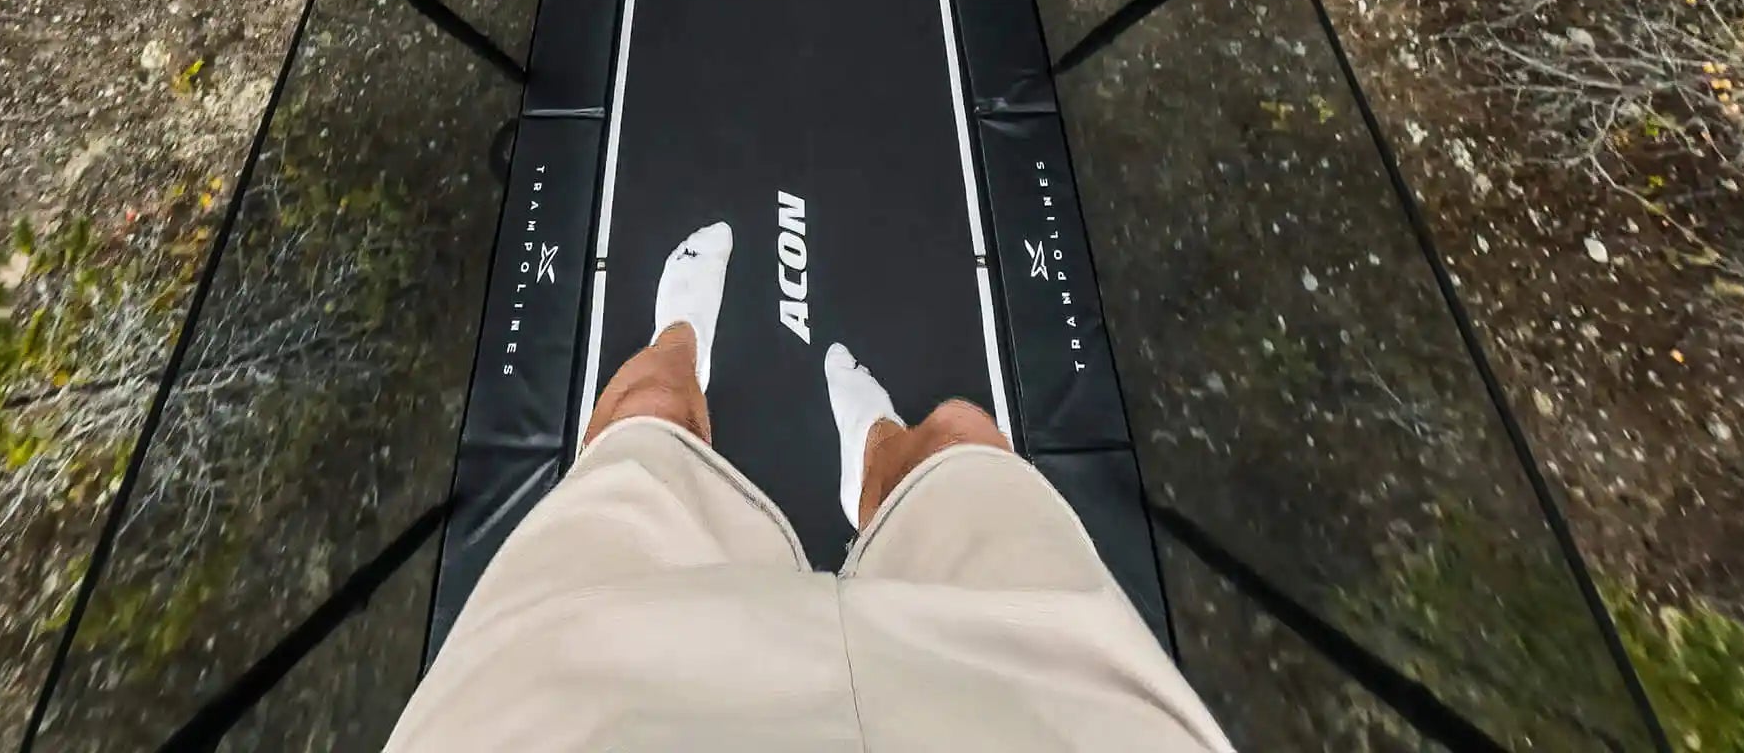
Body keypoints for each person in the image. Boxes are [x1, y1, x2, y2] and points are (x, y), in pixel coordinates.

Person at [382, 223, 1235, 752]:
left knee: (644, 413)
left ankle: (684, 346)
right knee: (968, 434)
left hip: (581, 709)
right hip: (1039, 719)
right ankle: (874, 467)